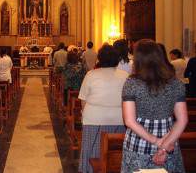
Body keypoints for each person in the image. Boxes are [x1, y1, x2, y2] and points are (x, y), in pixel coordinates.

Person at [121, 39, 188, 172]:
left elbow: (129, 121)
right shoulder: (175, 83)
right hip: (169, 139)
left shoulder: (132, 83)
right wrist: (164, 146)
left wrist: (157, 142)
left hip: (138, 142)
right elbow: (182, 120)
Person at [78, 44, 128, 173]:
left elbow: (83, 99)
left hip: (94, 119)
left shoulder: (91, 74)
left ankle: (88, 170)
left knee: (92, 149)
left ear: (100, 59)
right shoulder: (125, 76)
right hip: (120, 119)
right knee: (115, 151)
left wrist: (84, 114)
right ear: (116, 59)